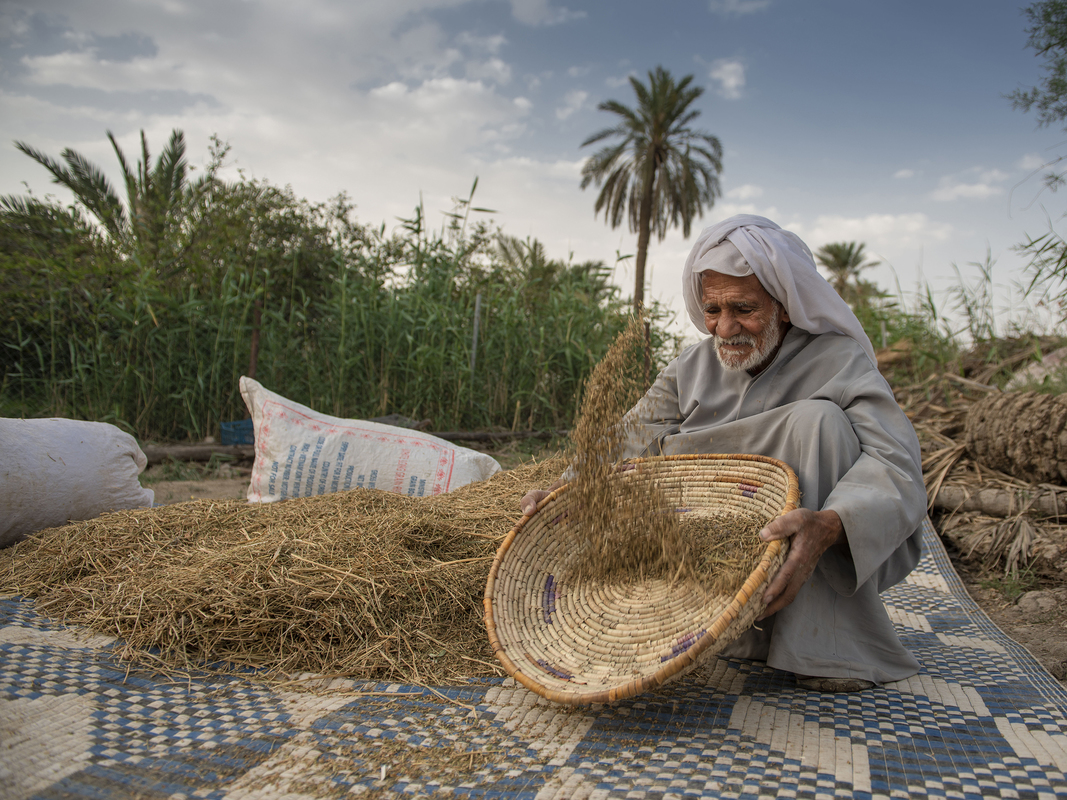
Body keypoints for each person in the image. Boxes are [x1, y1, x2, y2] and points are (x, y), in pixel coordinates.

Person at [520, 214, 927, 693]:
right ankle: (701, 619)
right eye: (713, 310)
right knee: (649, 459)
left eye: (744, 309)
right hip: (706, 554)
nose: (726, 327)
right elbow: (626, 437)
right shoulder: (690, 368)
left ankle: (826, 644)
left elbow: (895, 464)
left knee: (820, 424)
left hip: (806, 552)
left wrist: (832, 524)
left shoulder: (839, 361)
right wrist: (565, 491)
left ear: (786, 307)